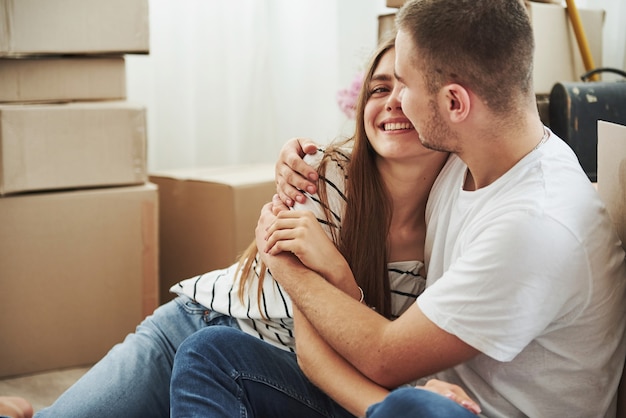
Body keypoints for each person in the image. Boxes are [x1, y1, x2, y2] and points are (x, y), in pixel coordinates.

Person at [169, 0, 626, 417]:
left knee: (413, 409)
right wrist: (302, 166)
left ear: (453, 102)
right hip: (410, 395)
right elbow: (368, 157)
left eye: (404, 84)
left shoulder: (535, 225)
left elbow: (383, 356)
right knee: (210, 354)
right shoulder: (470, 155)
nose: (396, 101)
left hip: (446, 410)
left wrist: (282, 260)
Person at [33, 36, 475, 417]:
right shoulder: (324, 176)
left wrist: (339, 276)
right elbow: (315, 349)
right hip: (201, 327)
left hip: (269, 378)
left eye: (407, 86)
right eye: (379, 88)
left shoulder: (457, 219)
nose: (392, 101)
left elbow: (392, 349)